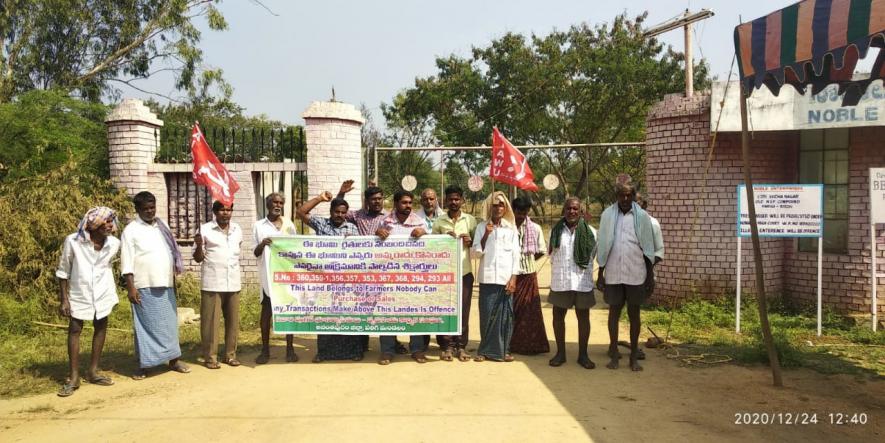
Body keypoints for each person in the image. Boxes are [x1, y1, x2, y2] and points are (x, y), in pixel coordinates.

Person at [121, 191, 190, 379]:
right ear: (137, 209)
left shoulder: (162, 225)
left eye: (152, 207)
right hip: (144, 285)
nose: (150, 211)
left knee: (169, 325)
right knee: (145, 326)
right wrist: (131, 287)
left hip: (165, 283)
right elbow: (127, 260)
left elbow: (170, 251)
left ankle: (174, 360)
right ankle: (144, 366)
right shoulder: (131, 230)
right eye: (146, 209)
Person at [56, 207, 121, 396]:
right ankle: (74, 377)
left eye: (111, 222)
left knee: (101, 326)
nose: (109, 226)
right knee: (75, 329)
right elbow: (63, 270)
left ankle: (93, 371)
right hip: (79, 292)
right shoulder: (73, 241)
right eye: (105, 222)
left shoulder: (114, 244)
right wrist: (64, 299)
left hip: (103, 292)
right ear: (93, 225)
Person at [596, 179, 658, 371]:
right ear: (617, 196)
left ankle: (633, 357)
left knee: (634, 314)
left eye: (628, 195)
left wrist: (649, 276)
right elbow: (603, 246)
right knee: (614, 312)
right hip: (614, 273)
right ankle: (614, 354)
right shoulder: (607, 215)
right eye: (621, 195)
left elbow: (648, 248)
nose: (625, 198)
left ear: (633, 196)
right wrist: (600, 273)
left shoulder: (643, 217)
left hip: (636, 273)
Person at [296, 191, 364, 363]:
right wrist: (319, 198)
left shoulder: (352, 228)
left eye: (343, 212)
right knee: (325, 314)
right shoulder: (321, 224)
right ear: (331, 211)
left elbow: (361, 252)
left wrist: (353, 243)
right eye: (337, 212)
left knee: (348, 314)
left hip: (346, 281)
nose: (340, 215)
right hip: (325, 280)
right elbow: (300, 213)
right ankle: (324, 352)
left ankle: (353, 352)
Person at [375, 190, 429, 364]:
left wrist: (423, 233)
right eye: (404, 203)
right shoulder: (386, 222)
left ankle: (417, 349)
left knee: (415, 310)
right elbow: (376, 244)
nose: (408, 206)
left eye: (410, 203)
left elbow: (432, 244)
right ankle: (387, 350)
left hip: (413, 276)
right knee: (387, 311)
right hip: (389, 276)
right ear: (396, 203)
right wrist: (378, 233)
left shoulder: (419, 222)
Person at [548, 197, 597, 369]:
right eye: (568, 208)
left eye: (575, 209)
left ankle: (583, 355)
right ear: (564, 211)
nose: (572, 212)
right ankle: (560, 353)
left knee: (583, 318)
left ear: (581, 211)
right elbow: (551, 255)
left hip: (582, 281)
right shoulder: (555, 232)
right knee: (557, 317)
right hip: (561, 281)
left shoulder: (591, 232)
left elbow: (593, 254)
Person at [471, 191, 520, 362]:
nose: (498, 207)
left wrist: (513, 278)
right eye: (494, 204)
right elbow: (475, 253)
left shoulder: (511, 228)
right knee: (487, 315)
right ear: (489, 207)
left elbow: (516, 255)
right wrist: (486, 234)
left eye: (501, 204)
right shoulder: (481, 227)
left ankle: (504, 350)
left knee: (505, 317)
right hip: (488, 277)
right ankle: (484, 351)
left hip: (506, 279)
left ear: (505, 207)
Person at [193, 201, 242, 369]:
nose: (225, 213)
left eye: (228, 210)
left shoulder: (237, 230)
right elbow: (198, 258)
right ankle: (210, 357)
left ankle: (230, 355)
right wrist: (199, 244)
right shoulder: (205, 229)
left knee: (233, 322)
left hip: (233, 282)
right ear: (215, 212)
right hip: (213, 282)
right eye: (222, 210)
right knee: (210, 323)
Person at [431, 185, 478, 362]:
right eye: (450, 199)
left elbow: (478, 249)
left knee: (463, 311)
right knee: (445, 310)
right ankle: (446, 346)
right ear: (445, 200)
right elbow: (432, 248)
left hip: (464, 272)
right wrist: (443, 241)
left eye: (457, 199)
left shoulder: (470, 220)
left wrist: (470, 241)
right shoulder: (439, 222)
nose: (454, 202)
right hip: (445, 274)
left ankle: (461, 346)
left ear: (462, 200)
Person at [253, 192, 299, 364]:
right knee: (266, 313)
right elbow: (255, 252)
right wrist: (262, 244)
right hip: (268, 277)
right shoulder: (259, 226)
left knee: (288, 312)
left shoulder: (289, 225)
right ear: (268, 205)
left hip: (286, 275)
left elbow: (295, 248)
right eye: (274, 202)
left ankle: (290, 349)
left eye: (280, 202)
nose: (278, 205)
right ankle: (265, 350)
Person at [509, 196, 550, 355]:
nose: (520, 215)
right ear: (513, 210)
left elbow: (541, 251)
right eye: (518, 211)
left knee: (529, 311)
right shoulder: (507, 226)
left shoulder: (535, 228)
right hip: (510, 274)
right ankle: (510, 343)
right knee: (511, 310)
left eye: (524, 212)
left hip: (528, 275)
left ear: (528, 212)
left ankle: (530, 345)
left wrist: (527, 259)